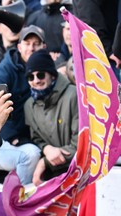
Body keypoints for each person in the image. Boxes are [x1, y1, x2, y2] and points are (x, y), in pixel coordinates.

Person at [0, 25, 46, 184]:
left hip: (28, 136)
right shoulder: (4, 71)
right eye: (27, 43)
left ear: (44, 47)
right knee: (31, 154)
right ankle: (20, 200)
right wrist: (15, 138)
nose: (31, 48)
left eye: (36, 44)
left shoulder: (47, 68)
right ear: (19, 46)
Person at [24, 49, 78, 186]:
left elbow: (81, 143)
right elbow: (36, 138)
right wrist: (46, 148)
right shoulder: (29, 105)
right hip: (51, 174)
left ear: (52, 75)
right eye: (31, 77)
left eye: (40, 75)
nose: (36, 80)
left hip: (77, 169)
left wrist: (45, 162)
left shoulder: (73, 95)